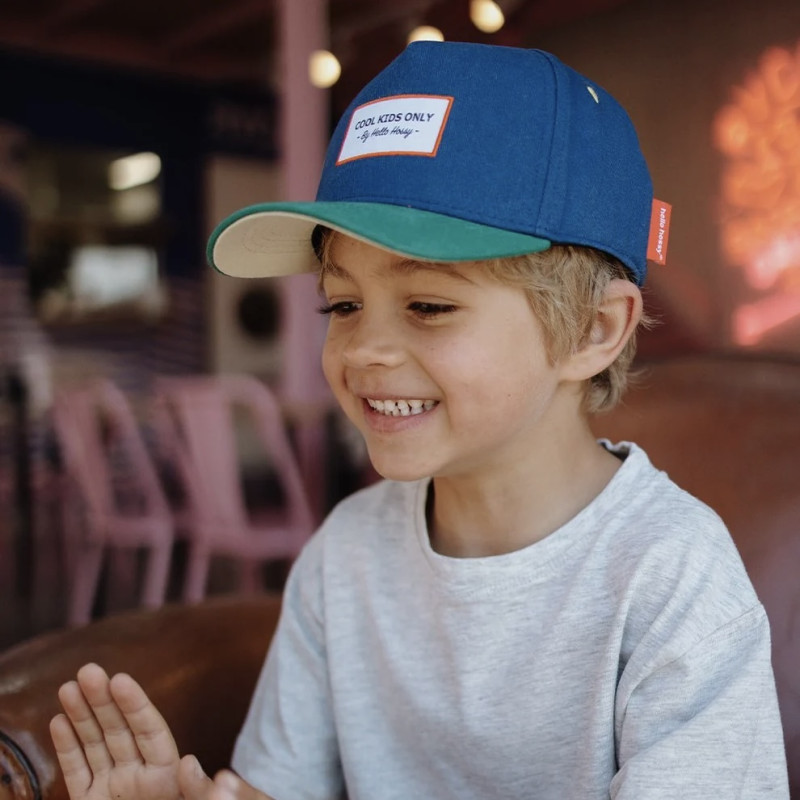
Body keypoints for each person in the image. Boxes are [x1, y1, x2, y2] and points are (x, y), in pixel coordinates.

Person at [50, 41, 789, 800]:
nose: (365, 349)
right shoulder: (344, 556)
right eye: (341, 304)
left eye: (428, 305)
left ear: (594, 331)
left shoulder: (670, 577)